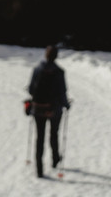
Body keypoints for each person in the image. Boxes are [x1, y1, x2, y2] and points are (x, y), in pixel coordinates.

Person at [28, 45, 70, 178]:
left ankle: (39, 169)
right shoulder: (59, 72)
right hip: (54, 109)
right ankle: (55, 160)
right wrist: (66, 104)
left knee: (39, 137)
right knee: (54, 134)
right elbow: (62, 92)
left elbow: (31, 89)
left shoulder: (37, 69)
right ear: (56, 56)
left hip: (38, 108)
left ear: (45, 55)